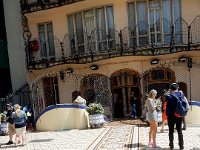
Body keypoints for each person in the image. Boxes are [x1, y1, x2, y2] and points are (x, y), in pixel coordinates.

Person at [166, 83, 184, 149]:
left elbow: (168, 108)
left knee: (171, 131)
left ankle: (171, 145)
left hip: (171, 116)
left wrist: (167, 114)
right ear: (177, 88)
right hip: (179, 115)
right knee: (179, 131)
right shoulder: (181, 95)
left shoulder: (169, 97)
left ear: (171, 89)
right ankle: (181, 146)